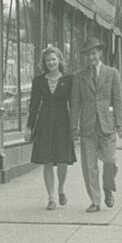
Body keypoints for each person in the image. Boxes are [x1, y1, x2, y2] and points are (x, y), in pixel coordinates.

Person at [70, 38, 122, 213]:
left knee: (109, 161)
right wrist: (73, 127)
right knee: (89, 166)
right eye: (88, 54)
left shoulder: (112, 73)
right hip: (87, 126)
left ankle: (108, 187)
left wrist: (120, 123)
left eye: (94, 53)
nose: (91, 57)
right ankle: (95, 201)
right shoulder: (79, 76)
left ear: (100, 53)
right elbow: (75, 103)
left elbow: (117, 99)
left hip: (107, 125)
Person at [24, 46, 76, 210]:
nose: (51, 62)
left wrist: (75, 126)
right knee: (47, 160)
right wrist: (29, 127)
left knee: (62, 161)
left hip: (63, 122)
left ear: (59, 60)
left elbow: (74, 104)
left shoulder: (69, 80)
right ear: (44, 63)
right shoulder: (38, 81)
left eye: (54, 59)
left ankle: (61, 188)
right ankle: (51, 197)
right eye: (48, 60)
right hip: (45, 123)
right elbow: (34, 105)